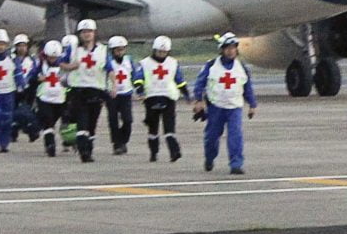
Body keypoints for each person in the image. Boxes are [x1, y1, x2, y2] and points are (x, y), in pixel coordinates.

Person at [192, 32, 257, 174]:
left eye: (233, 47)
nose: (231, 50)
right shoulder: (211, 66)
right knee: (212, 137)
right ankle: (209, 158)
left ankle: (236, 164)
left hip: (234, 108)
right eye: (227, 48)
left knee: (235, 135)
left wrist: (252, 105)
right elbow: (200, 83)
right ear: (221, 49)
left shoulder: (242, 68)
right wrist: (198, 100)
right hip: (216, 107)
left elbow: (247, 87)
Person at [61, 18, 110, 163]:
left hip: (96, 90)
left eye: (89, 31)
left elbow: (109, 68)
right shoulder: (73, 49)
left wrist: (114, 85)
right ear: (79, 34)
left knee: (92, 124)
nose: (87, 34)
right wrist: (70, 67)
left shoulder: (102, 50)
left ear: (94, 33)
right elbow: (60, 62)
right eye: (84, 32)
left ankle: (89, 148)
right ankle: (84, 152)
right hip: (79, 90)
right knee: (82, 122)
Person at [139, 35, 185, 163]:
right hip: (151, 99)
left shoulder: (173, 63)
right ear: (154, 50)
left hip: (168, 98)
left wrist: (186, 93)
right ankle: (154, 153)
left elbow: (179, 80)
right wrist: (139, 89)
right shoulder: (145, 63)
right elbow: (139, 78)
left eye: (164, 52)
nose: (162, 54)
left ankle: (174, 152)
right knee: (153, 129)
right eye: (159, 52)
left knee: (169, 129)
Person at [33, 39, 69, 156]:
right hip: (44, 98)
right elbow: (31, 77)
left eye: (55, 58)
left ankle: (67, 141)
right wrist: (38, 79)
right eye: (50, 57)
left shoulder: (64, 65)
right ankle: (50, 145)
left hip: (60, 99)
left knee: (57, 121)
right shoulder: (40, 65)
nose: (53, 60)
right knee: (48, 122)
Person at [104, 36, 137, 155]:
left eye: (122, 49)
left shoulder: (128, 60)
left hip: (126, 94)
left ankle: (123, 140)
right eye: (117, 50)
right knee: (113, 120)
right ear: (112, 50)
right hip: (111, 95)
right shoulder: (108, 62)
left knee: (128, 120)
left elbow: (133, 75)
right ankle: (117, 144)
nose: (120, 52)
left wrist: (137, 89)